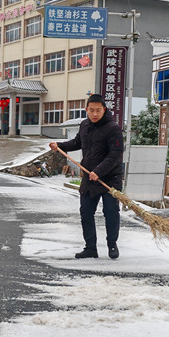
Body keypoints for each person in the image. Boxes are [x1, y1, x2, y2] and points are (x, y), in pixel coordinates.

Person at [49, 94, 124, 260]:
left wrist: (99, 171)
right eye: (91, 110)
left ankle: (112, 244)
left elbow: (116, 155)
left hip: (109, 178)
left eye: (98, 110)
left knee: (111, 211)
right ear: (86, 110)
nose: (95, 114)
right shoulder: (84, 125)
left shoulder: (113, 129)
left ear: (104, 109)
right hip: (89, 177)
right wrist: (59, 146)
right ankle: (90, 248)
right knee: (86, 212)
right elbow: (77, 143)